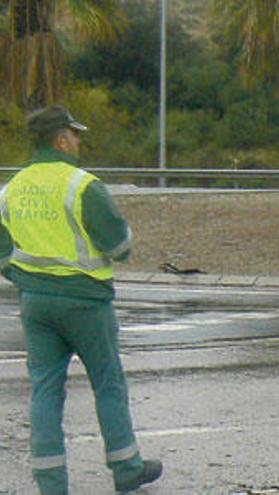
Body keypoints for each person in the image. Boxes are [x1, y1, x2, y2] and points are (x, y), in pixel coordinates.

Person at [0, 106, 161, 494]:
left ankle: (51, 483)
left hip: (36, 302)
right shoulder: (83, 185)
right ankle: (126, 468)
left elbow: (2, 253)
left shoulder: (11, 189)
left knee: (45, 389)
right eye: (74, 134)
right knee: (107, 382)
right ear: (60, 139)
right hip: (86, 301)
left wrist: (26, 279)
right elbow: (119, 246)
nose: (78, 140)